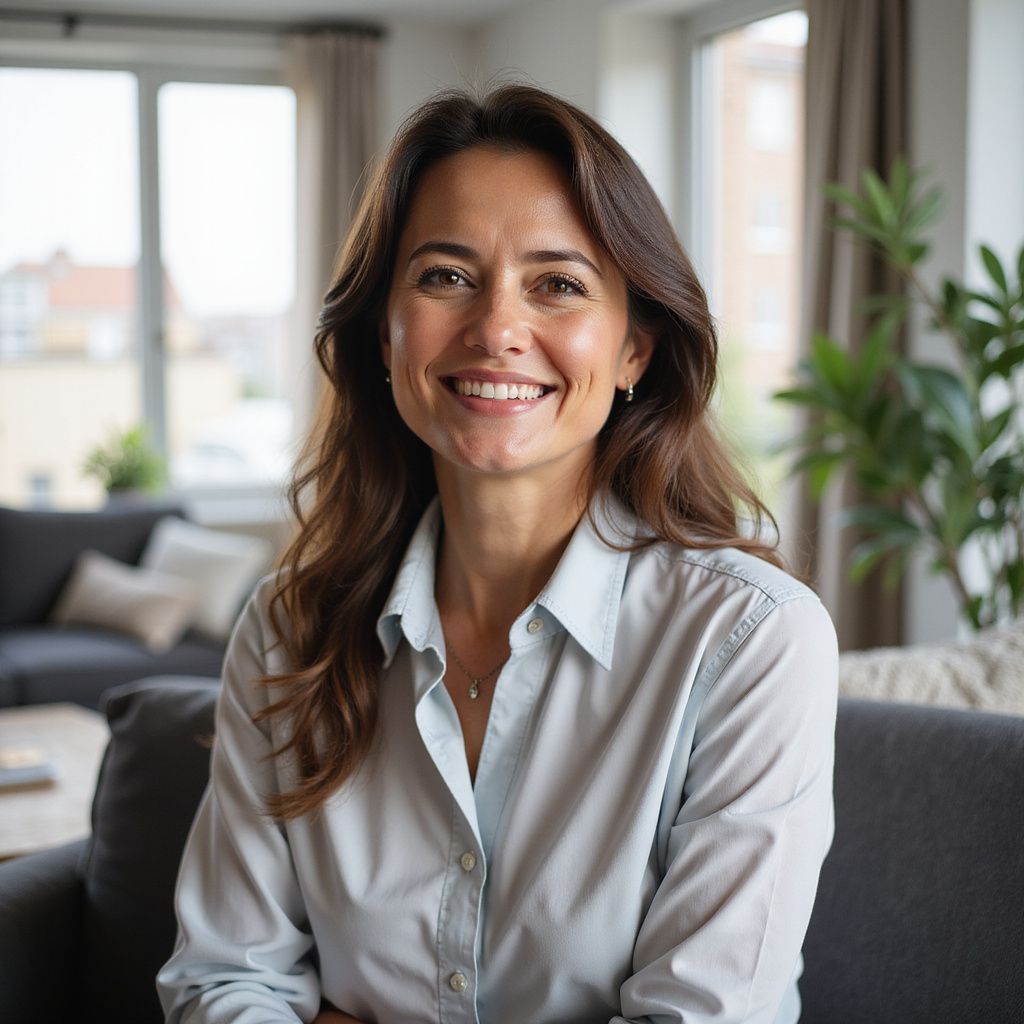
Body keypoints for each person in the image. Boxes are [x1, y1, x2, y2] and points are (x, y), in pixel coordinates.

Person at [158, 84, 838, 1024]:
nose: (496, 329)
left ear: (635, 347)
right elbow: (222, 984)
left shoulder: (753, 642)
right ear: (383, 337)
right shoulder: (290, 629)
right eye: (445, 276)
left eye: (558, 283)